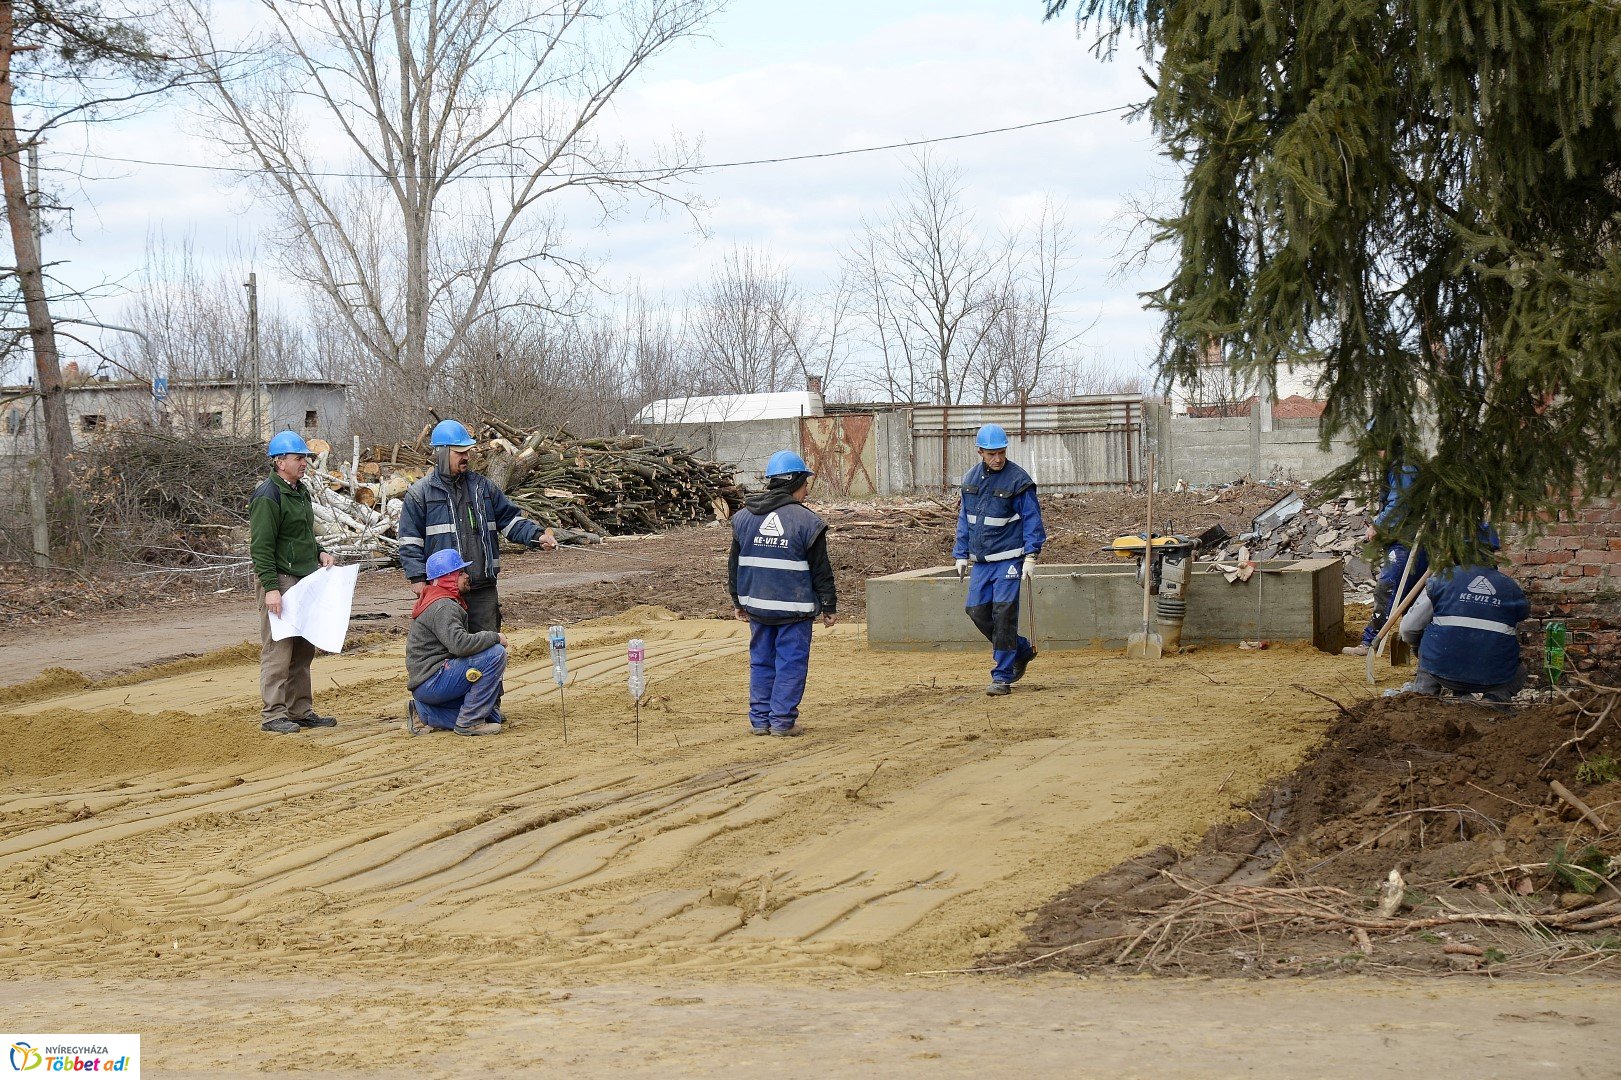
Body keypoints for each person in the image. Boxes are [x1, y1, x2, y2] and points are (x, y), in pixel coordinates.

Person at [398, 419, 558, 634]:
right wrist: (417, 578)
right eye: (459, 452)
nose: (465, 457)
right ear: (442, 453)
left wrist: (537, 536)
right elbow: (409, 541)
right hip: (442, 591)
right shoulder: (420, 494)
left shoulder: (482, 488)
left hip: (481, 587)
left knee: (488, 649)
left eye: (467, 451)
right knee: (450, 651)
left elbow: (510, 521)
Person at [728, 450, 837, 737]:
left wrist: (737, 600)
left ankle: (760, 721)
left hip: (757, 607)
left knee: (762, 661)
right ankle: (781, 722)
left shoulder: (743, 518)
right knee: (790, 663)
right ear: (797, 482)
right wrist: (828, 605)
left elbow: (734, 564)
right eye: (805, 484)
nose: (806, 491)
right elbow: (820, 570)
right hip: (794, 610)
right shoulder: (806, 521)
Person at [249, 430, 338, 734]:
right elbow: (261, 547)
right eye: (299, 458)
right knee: (279, 648)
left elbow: (302, 535)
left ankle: (299, 710)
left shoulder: (300, 491)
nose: (304, 463)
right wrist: (271, 588)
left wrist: (320, 552)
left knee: (303, 648)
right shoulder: (267, 496)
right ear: (279, 461)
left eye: (305, 458)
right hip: (281, 580)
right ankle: (273, 714)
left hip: (305, 578)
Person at [954, 423, 1046, 696]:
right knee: (977, 612)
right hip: (982, 560)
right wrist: (960, 553)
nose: (997, 458)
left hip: (1009, 559)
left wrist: (1031, 555)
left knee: (1004, 614)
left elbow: (1032, 519)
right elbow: (964, 520)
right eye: (992, 453)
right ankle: (1020, 649)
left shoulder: (1018, 480)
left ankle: (1002, 676)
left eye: (1001, 452)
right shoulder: (970, 480)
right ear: (980, 451)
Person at [1392, 555, 1530, 702]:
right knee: (1520, 670)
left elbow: (1408, 629)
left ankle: (1425, 696)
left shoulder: (1442, 580)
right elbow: (1518, 619)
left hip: (1441, 669)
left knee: (1427, 637)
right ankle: (1495, 699)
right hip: (1493, 676)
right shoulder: (1510, 587)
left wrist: (1417, 647)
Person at [406, 549, 509, 736]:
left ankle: (424, 712)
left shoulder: (441, 600)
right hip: (433, 680)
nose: (466, 576)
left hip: (428, 682)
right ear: (448, 578)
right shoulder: (444, 606)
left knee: (492, 715)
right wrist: (495, 637)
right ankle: (470, 722)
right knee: (496, 653)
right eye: (460, 573)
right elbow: (459, 645)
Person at [1345, 435, 1426, 656]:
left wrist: (1378, 526)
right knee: (1412, 595)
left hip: (1409, 540)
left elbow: (1400, 502)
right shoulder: (1396, 465)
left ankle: (1370, 643)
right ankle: (1420, 646)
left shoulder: (1404, 467)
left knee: (1388, 588)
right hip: (1407, 537)